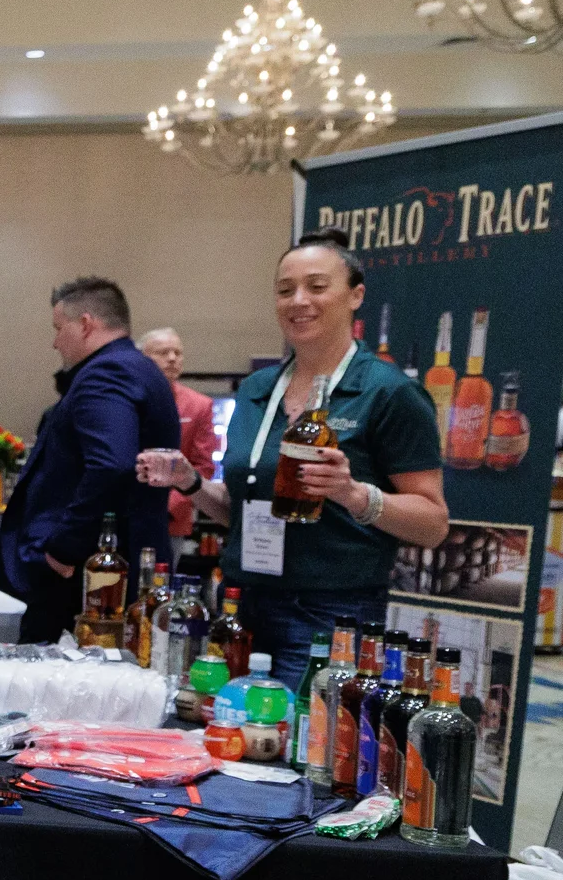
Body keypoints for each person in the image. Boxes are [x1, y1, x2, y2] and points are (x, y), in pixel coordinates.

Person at [138, 230, 447, 689]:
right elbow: (242, 511)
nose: (298, 300)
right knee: (229, 732)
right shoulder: (257, 389)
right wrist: (191, 483)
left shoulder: (389, 393)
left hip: (331, 610)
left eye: (317, 287)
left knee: (304, 749)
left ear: (355, 295)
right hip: (241, 601)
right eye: (285, 290)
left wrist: (353, 494)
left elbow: (433, 522)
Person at [0, 276, 179, 644]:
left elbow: (111, 464)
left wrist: (64, 547)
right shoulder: (138, 368)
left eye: (58, 327)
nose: (54, 341)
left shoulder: (105, 373)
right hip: (121, 559)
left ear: (85, 324)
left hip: (90, 574)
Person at [137, 327, 219, 542]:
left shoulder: (199, 405)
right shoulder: (124, 399)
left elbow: (204, 467)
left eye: (177, 352)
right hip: (121, 511)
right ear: (141, 359)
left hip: (171, 519)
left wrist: (166, 505)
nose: (172, 358)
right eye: (163, 353)